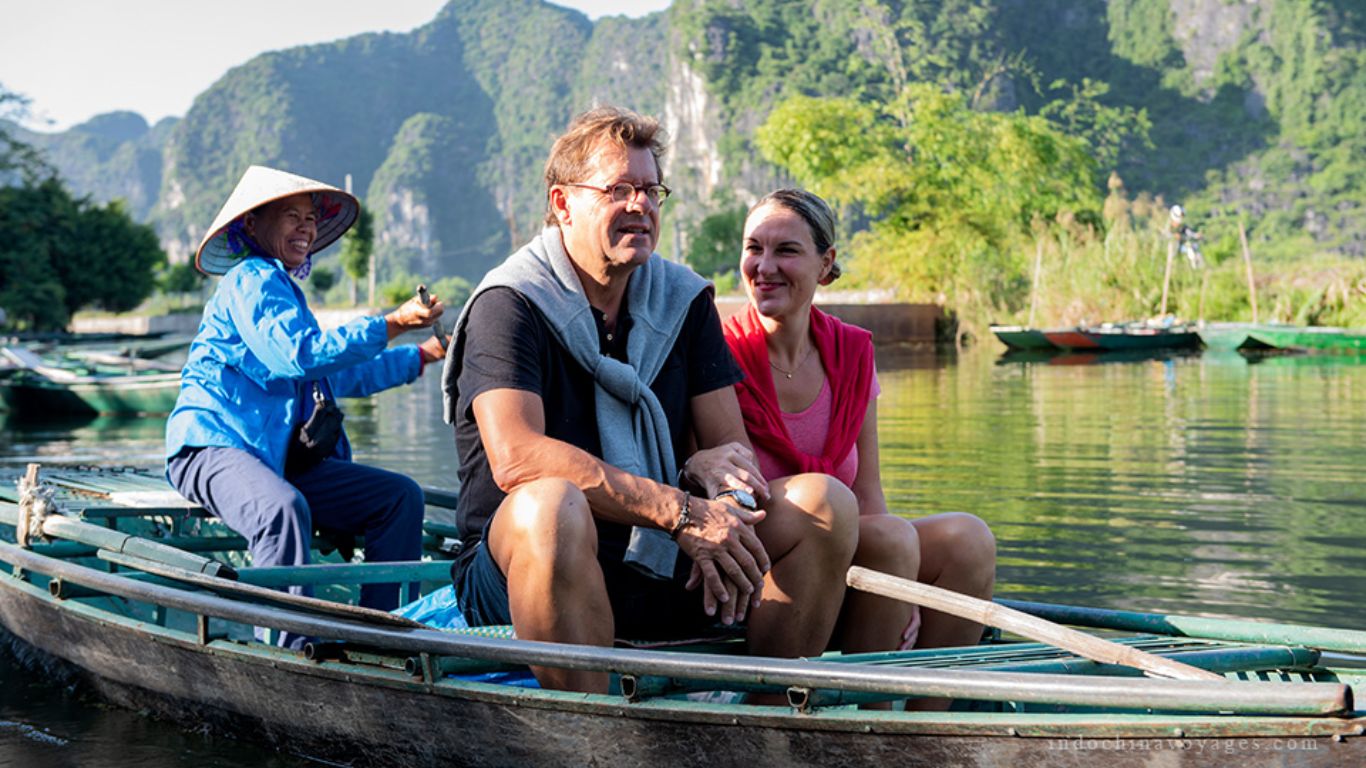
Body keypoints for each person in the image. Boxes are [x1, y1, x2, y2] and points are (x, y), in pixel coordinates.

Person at [442, 107, 858, 693]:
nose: (641, 205)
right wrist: (680, 511)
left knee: (826, 504)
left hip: (664, 563)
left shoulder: (683, 300)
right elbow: (519, 459)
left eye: (650, 190)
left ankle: (766, 718)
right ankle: (587, 733)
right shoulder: (510, 304)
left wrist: (726, 516)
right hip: (526, 573)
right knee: (551, 505)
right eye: (619, 189)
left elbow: (729, 449)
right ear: (563, 204)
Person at [165, 165, 446, 649]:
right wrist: (393, 323)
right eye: (291, 216)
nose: (306, 228)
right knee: (281, 509)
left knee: (400, 497)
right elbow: (299, 354)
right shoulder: (249, 280)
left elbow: (336, 373)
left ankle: (384, 632)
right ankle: (289, 648)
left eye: (311, 219)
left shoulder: (284, 293)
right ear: (252, 225)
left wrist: (419, 356)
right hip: (213, 446)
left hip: (275, 457)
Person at [723, 189, 997, 665]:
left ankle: (917, 724)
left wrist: (904, 582)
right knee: (836, 504)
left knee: (966, 539)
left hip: (840, 532)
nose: (764, 267)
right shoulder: (719, 351)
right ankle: (852, 707)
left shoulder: (852, 352)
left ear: (825, 264)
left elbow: (868, 492)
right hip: (760, 547)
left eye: (786, 250)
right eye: (754, 248)